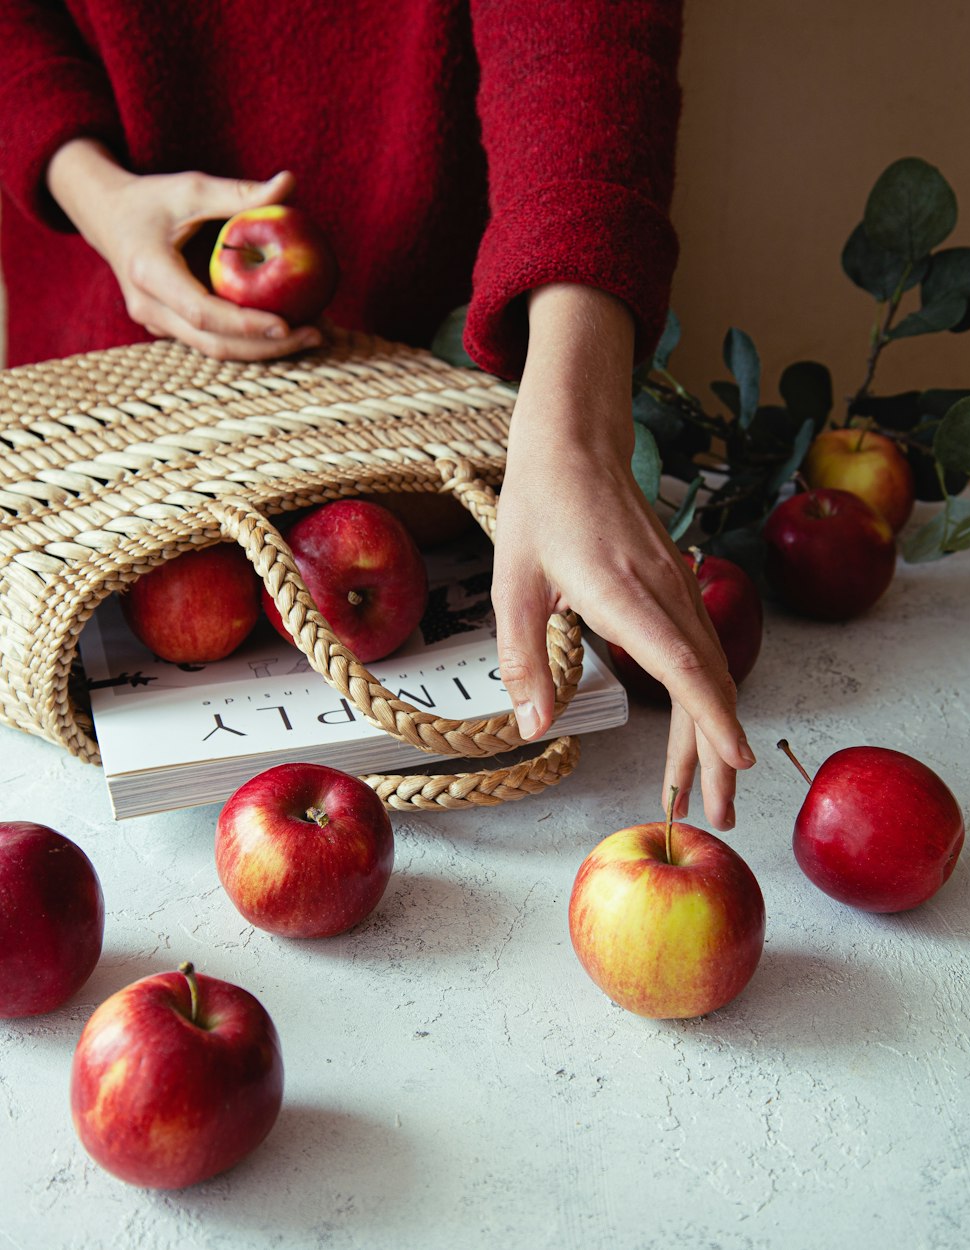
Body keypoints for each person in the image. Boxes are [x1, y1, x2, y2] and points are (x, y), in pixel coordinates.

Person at [0, 0, 755, 828]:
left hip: (441, 409)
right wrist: (96, 193)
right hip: (102, 407)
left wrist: (575, 419)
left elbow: (578, 31)